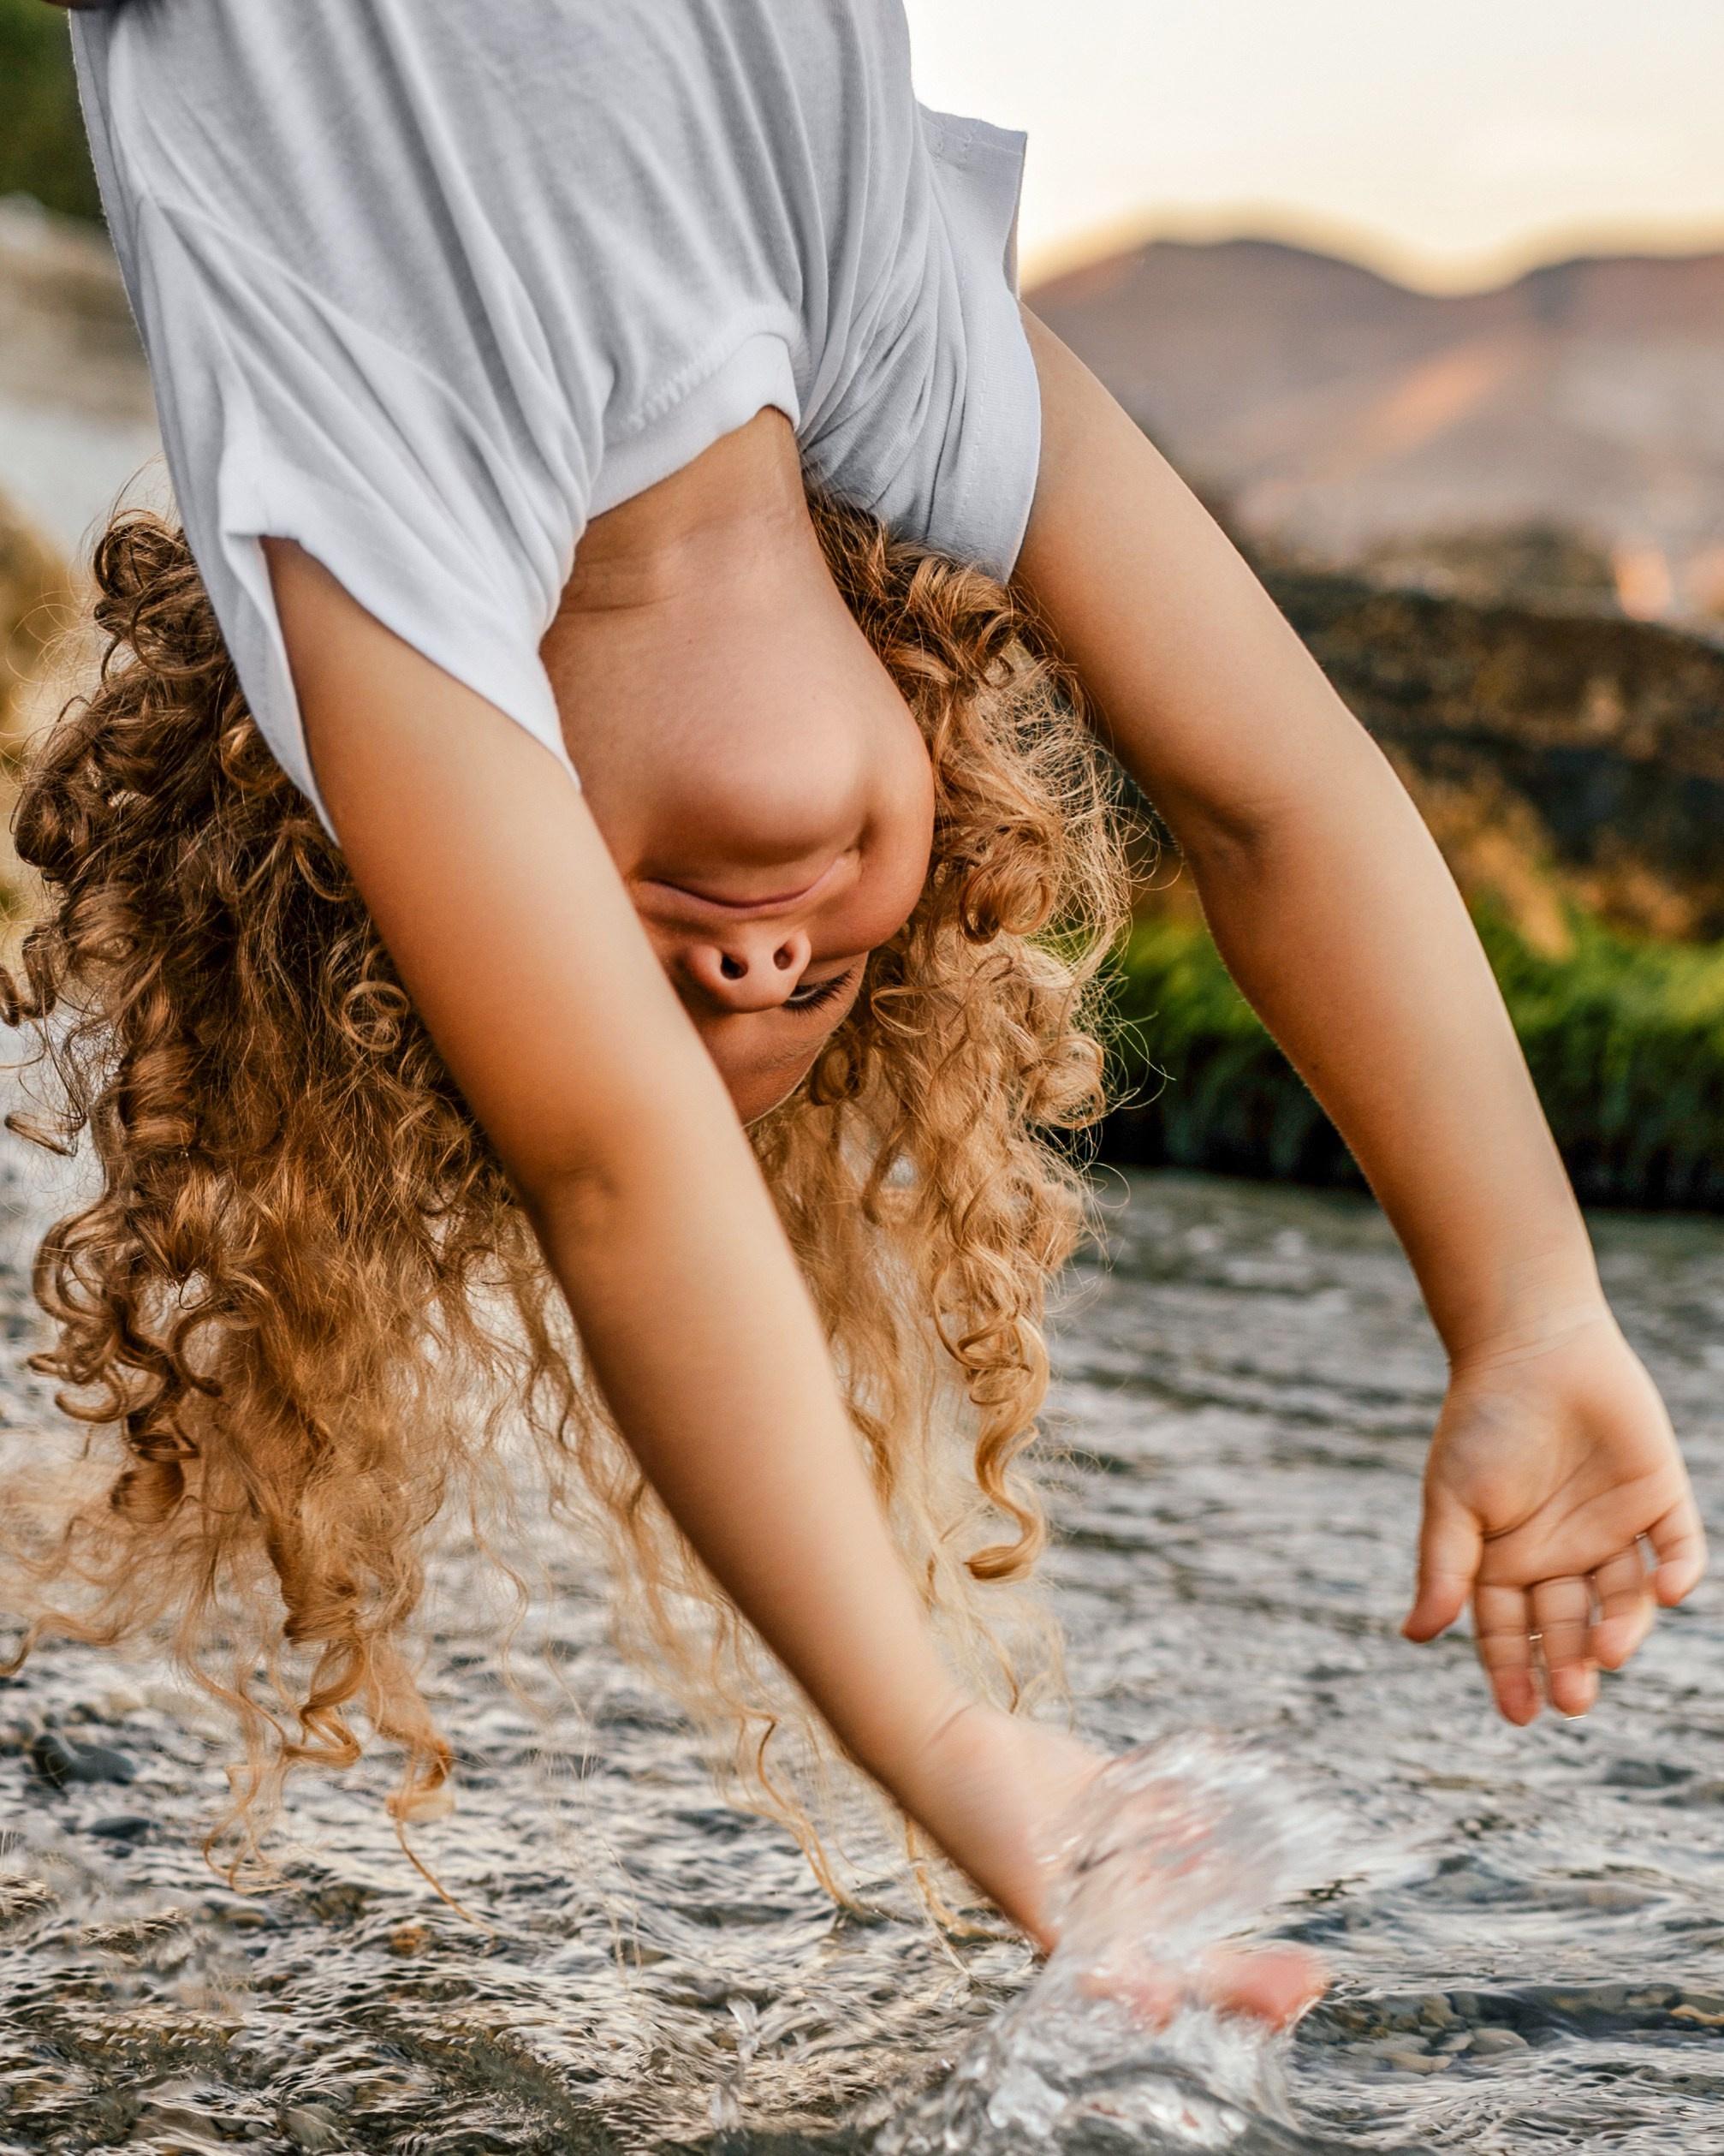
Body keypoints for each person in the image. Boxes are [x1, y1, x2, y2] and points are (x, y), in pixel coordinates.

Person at [9, 0, 1703, 2025]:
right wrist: (1525, 1305)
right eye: (818, 980)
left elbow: (615, 1161)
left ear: (446, 867)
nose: (750, 958)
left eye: (643, 975)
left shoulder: (371, 534)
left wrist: (938, 1737)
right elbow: (1278, 798)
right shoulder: (876, 327)